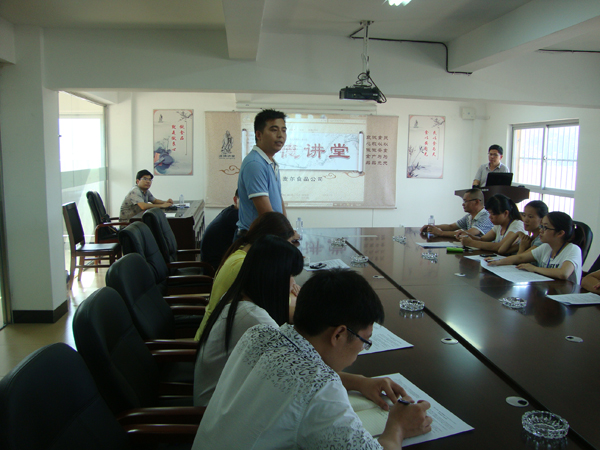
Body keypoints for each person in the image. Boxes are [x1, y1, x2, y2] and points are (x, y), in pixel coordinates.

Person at [192, 269, 432, 449]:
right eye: (364, 341)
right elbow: (310, 384)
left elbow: (297, 372)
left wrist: (360, 382)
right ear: (339, 334)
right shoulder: (321, 389)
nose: (361, 350)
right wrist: (398, 427)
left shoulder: (260, 334)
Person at [194, 235, 304, 407]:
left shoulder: (239, 296)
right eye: (290, 275)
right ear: (273, 276)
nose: (293, 283)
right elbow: (300, 373)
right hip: (214, 411)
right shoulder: (255, 320)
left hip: (221, 400)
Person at [194, 211, 299, 340]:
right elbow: (274, 305)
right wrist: (291, 290)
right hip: (212, 338)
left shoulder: (243, 253)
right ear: (271, 243)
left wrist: (289, 284)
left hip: (222, 334)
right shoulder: (243, 265)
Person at [486, 211, 585, 284]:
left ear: (560, 233)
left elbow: (563, 273)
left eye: (545, 227)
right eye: (541, 226)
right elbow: (520, 257)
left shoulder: (573, 249)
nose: (541, 230)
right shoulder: (546, 247)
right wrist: (498, 261)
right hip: (549, 289)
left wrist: (534, 268)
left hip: (566, 294)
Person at [236, 109, 288, 237]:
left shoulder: (270, 162)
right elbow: (267, 215)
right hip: (255, 239)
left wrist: (288, 230)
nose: (280, 135)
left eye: (283, 130)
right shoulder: (255, 163)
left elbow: (279, 201)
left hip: (271, 235)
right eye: (274, 130)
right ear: (259, 135)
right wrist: (286, 235)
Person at [458, 194, 524, 254]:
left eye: (493, 214)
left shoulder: (517, 225)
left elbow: (500, 246)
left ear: (506, 213)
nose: (490, 217)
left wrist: (471, 243)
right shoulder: (499, 225)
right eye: (489, 213)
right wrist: (467, 235)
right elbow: (482, 239)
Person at [420, 189, 492, 238]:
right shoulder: (469, 216)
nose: (463, 204)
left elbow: (467, 233)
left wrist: (440, 233)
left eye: (465, 201)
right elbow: (451, 227)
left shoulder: (486, 216)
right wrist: (431, 227)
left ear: (476, 202)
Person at [200, 190, 239, 271]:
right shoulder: (234, 216)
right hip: (214, 267)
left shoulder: (230, 211)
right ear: (235, 200)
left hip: (211, 263)